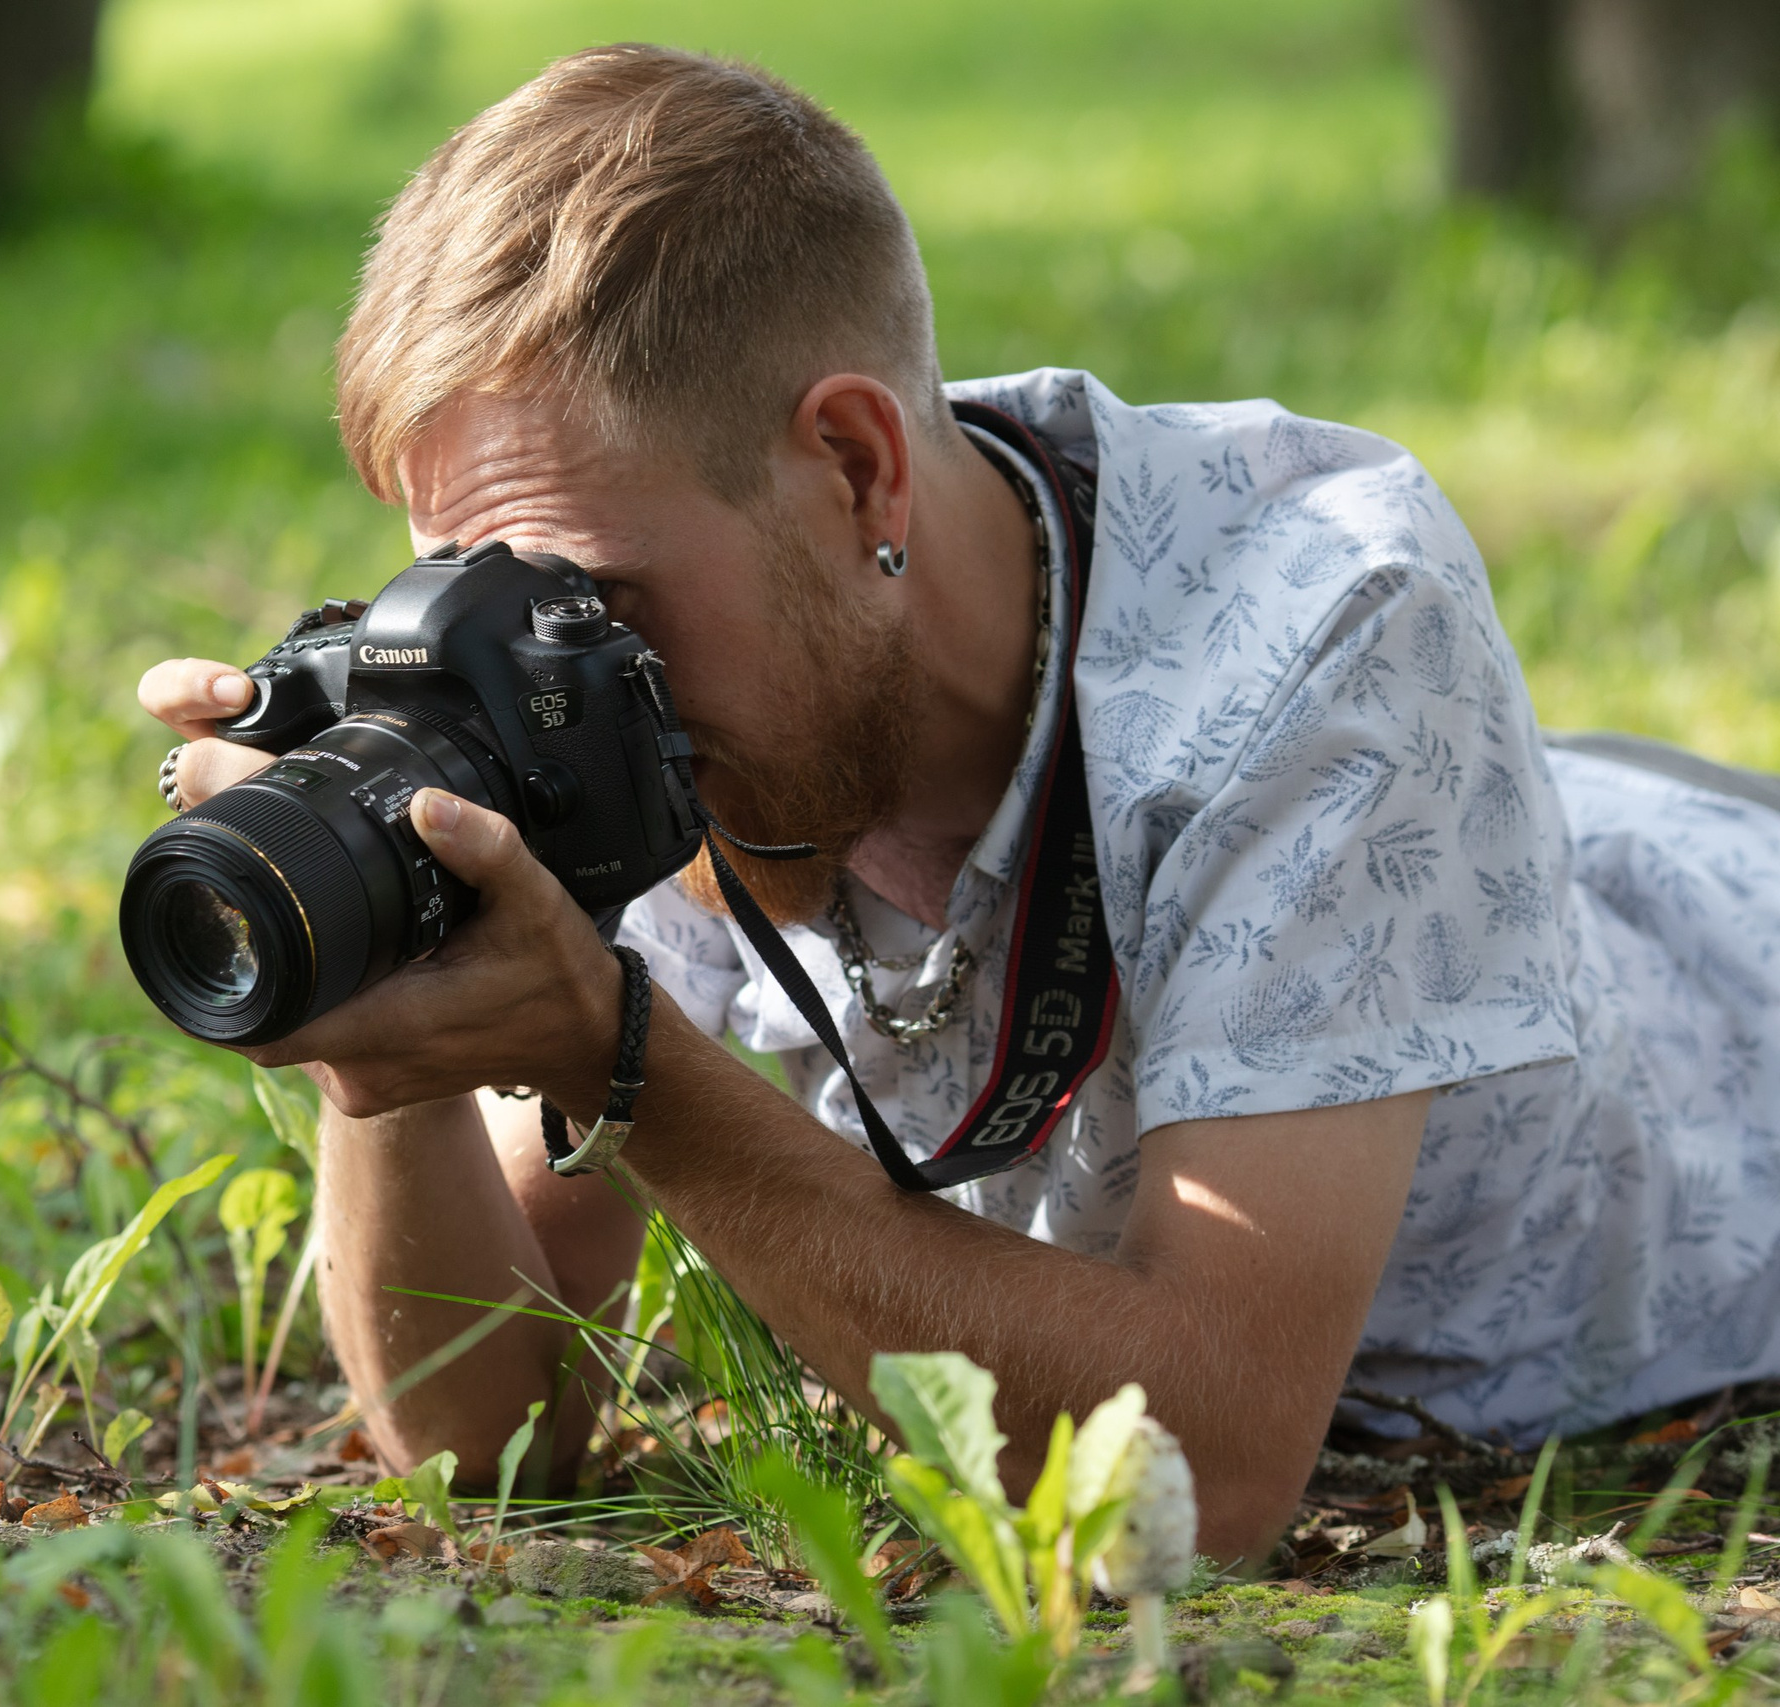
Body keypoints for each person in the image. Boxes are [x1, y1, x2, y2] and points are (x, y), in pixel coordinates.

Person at [137, 44, 1780, 1566]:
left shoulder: (1323, 630)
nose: (541, 666)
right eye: (480, 592)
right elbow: (482, 1447)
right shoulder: (633, 681)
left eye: (589, 604)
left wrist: (631, 1069)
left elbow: (1198, 1478)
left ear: (856, 465)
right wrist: (388, 1019)